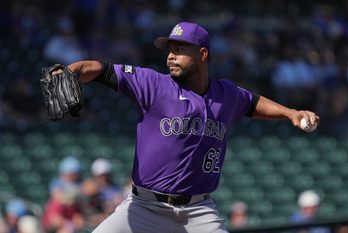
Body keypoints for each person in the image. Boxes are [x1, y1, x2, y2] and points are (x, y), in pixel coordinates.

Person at [51, 22, 319, 233]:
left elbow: (254, 103)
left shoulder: (226, 94)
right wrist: (71, 71)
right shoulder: (153, 84)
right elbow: (98, 69)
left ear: (202, 54)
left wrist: (291, 114)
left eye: (179, 49)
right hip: (144, 207)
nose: (171, 56)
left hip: (199, 212)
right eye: (169, 49)